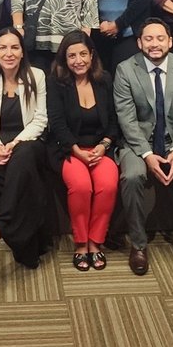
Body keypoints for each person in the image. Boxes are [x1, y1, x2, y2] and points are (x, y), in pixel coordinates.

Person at [113, 18, 173, 278]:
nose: (154, 44)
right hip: (138, 142)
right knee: (132, 176)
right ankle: (138, 245)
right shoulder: (125, 69)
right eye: (148, 39)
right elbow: (127, 120)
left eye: (160, 38)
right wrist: (147, 155)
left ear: (170, 41)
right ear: (139, 43)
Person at [0, 28, 54, 267]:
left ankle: (0, 222)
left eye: (14, 47)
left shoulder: (36, 75)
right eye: (3, 48)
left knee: (24, 156)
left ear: (22, 52)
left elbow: (40, 119)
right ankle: (31, 243)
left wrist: (14, 143)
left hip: (28, 141)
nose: (9, 53)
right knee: (27, 184)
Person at [48, 31, 120, 271]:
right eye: (72, 56)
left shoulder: (104, 80)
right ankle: (80, 243)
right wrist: (77, 150)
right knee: (81, 186)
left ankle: (95, 241)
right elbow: (57, 123)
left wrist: (104, 145)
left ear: (92, 55)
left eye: (83, 54)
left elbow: (113, 120)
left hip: (100, 148)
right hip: (69, 149)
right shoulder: (57, 82)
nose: (78, 60)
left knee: (107, 185)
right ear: (64, 59)